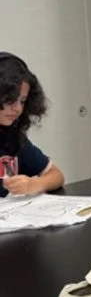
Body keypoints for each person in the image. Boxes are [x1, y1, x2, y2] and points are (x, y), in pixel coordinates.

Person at [0, 52, 64, 197]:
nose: (17, 108)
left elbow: (56, 175)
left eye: (22, 101)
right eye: (9, 99)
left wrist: (34, 184)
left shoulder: (13, 138)